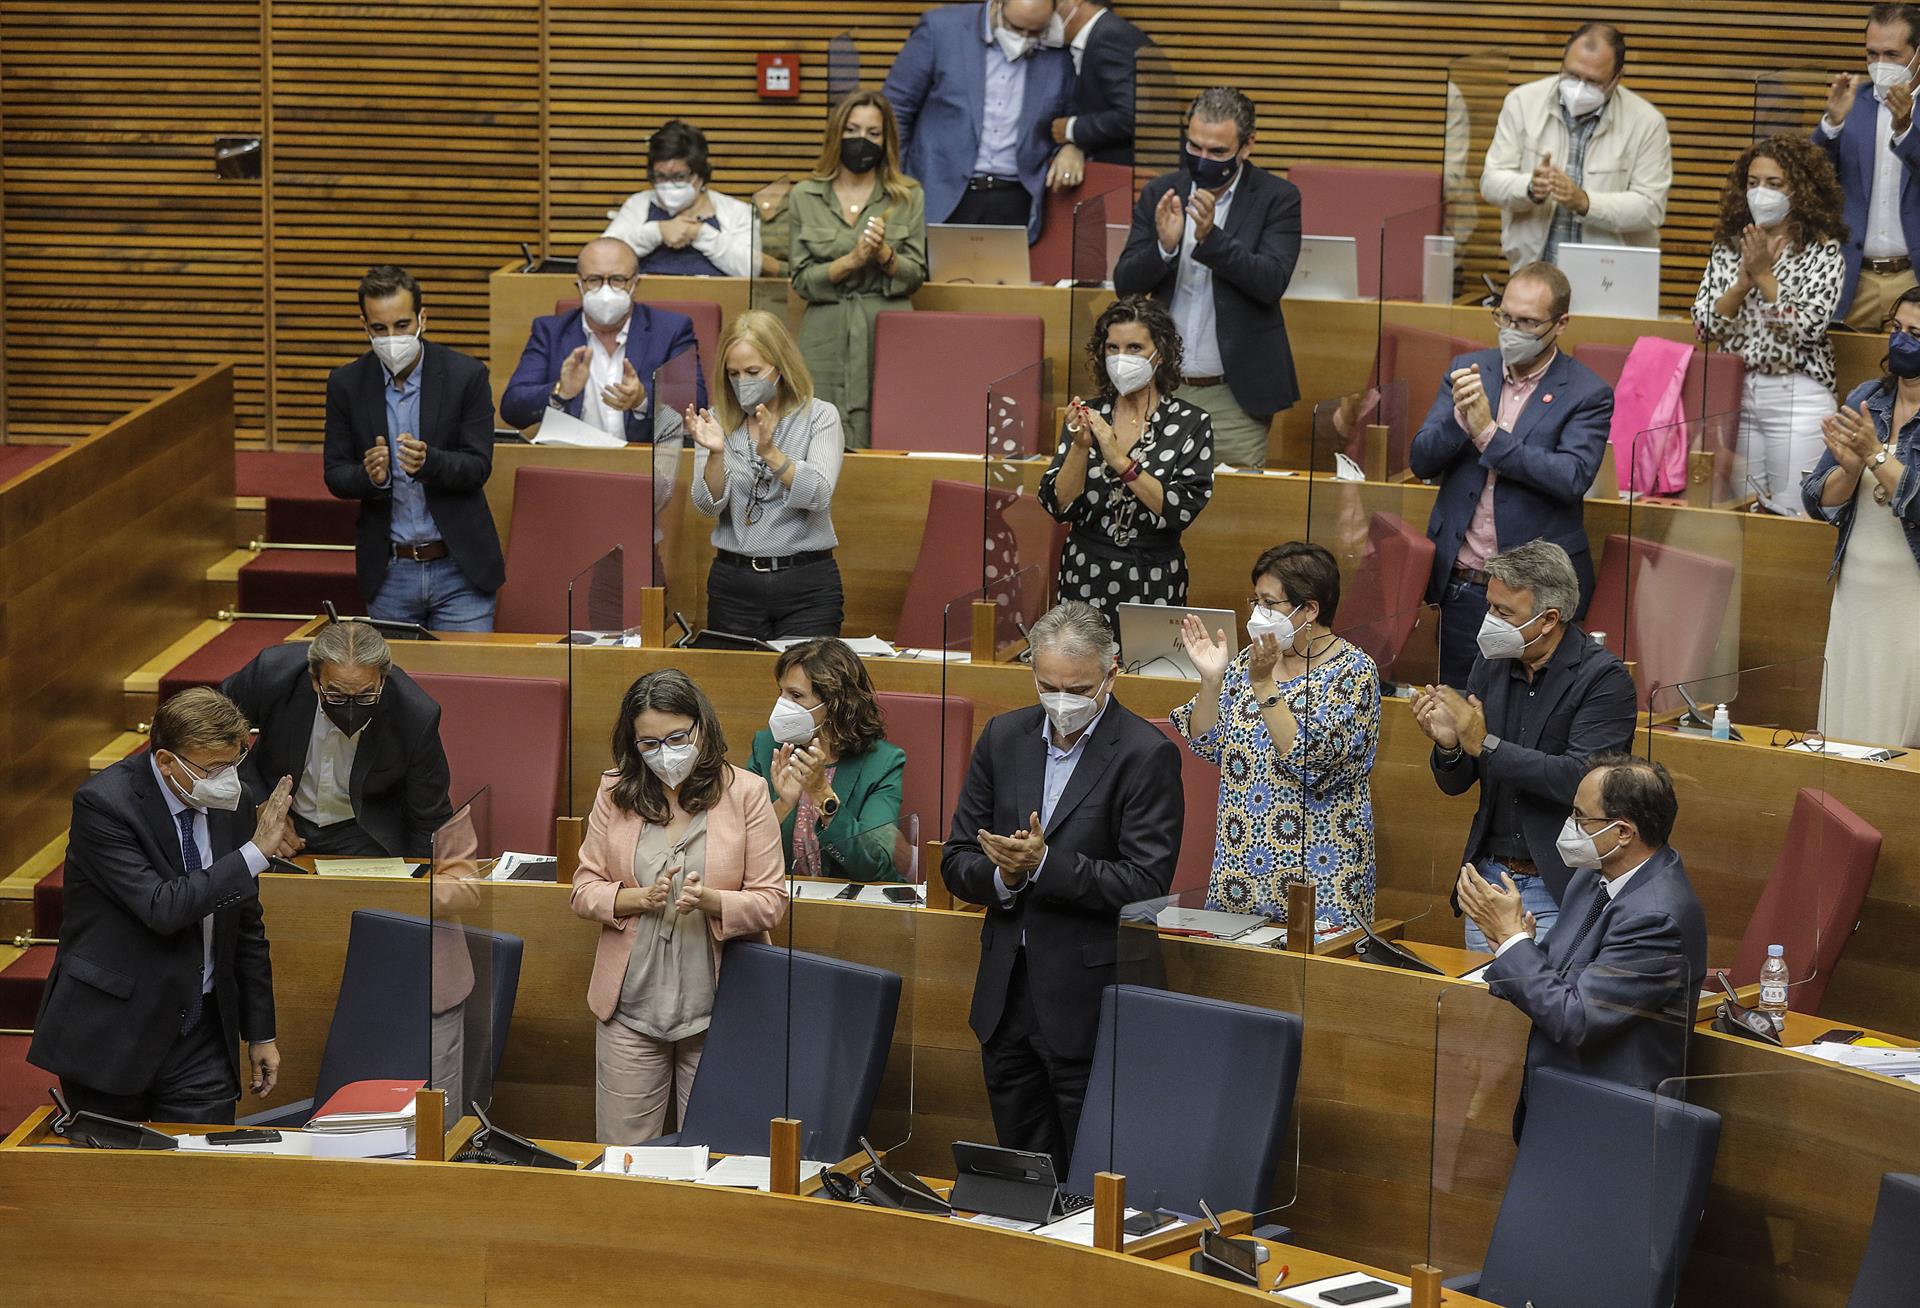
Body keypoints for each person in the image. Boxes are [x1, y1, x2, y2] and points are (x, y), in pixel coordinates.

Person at [942, 601, 1183, 1173]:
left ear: (1111, 675)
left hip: (1089, 1002)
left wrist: (1047, 864)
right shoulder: (1005, 737)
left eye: (1076, 689)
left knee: (1089, 1181)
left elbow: (1146, 881)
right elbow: (955, 859)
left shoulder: (1147, 755)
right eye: (1047, 685)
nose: (1060, 701)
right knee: (1024, 1177)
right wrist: (1003, 875)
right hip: (1006, 1000)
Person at [28, 688, 296, 1124]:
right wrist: (253, 854)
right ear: (167, 762)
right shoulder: (105, 804)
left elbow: (245, 924)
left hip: (202, 1031)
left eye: (234, 764)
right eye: (213, 768)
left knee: (201, 1177)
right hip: (114, 1029)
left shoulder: (234, 801)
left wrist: (261, 1032)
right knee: (114, 1182)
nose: (227, 779)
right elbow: (162, 907)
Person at [569, 669, 787, 1145]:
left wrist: (710, 901)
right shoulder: (614, 792)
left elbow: (772, 902)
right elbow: (583, 887)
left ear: (701, 728)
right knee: (624, 1163)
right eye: (648, 744)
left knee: (715, 1159)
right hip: (630, 1008)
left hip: (719, 1010)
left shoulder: (746, 793)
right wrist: (639, 899)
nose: (663, 753)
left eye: (675, 737)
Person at [1410, 541, 1637, 952]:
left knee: (1541, 1010)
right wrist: (1450, 747)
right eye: (1489, 607)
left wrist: (1483, 743)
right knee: (1482, 1012)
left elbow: (1580, 780)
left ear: (1549, 618)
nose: (1488, 621)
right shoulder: (1491, 663)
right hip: (1489, 881)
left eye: (1503, 613)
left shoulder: (1604, 680)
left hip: (1558, 888)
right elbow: (1459, 782)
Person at [1408, 261, 1612, 689]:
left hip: (1534, 596)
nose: (1511, 329)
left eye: (1527, 322)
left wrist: (1487, 433)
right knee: (1456, 711)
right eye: (1505, 316)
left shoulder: (1587, 392)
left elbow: (1572, 475)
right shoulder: (1469, 370)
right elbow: (1421, 460)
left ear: (1561, 324)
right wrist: (1460, 425)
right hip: (1463, 585)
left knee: (1527, 718)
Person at [1459, 755, 1706, 1105]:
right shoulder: (1592, 877)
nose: (1569, 825)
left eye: (1579, 816)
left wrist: (1514, 942)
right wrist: (1515, 942)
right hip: (1560, 1088)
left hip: (1609, 1114)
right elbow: (1561, 979)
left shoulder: (1657, 918)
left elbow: (1576, 1019)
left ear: (1622, 832)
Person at [1172, 543, 1381, 933]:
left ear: (1311, 609)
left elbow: (1310, 762)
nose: (1257, 615)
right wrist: (1212, 680)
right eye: (1256, 601)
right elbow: (1205, 742)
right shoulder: (1246, 663)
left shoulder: (1352, 672)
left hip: (1319, 882)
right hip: (1240, 879)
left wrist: (1265, 683)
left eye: (1269, 603)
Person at [1112, 86, 1300, 469]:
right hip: (1160, 385)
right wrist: (1164, 248)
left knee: (1233, 511)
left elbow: (1271, 281)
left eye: (1217, 152)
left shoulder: (1276, 198)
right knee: (1149, 497)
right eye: (1194, 147)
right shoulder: (1160, 193)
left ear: (1246, 147)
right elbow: (1125, 284)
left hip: (1233, 395)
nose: (1203, 160)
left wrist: (1210, 240)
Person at [324, 265, 505, 632]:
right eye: (379, 328)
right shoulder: (347, 384)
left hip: (459, 568)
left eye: (402, 325)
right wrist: (369, 476)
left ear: (423, 319)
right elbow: (335, 473)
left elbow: (478, 465)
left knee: (466, 683)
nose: (392, 337)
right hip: (391, 571)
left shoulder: (465, 376)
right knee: (396, 687)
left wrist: (429, 462)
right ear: (365, 326)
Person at [1692, 136, 1848, 514]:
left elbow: (1807, 329)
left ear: (1802, 190)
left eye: (1775, 184)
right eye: (1753, 182)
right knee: (1743, 512)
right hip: (1738, 392)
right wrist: (1742, 284)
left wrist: (1763, 276)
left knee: (1792, 513)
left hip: (1797, 396)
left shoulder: (1822, 251)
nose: (1761, 193)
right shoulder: (1730, 247)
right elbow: (1705, 327)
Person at [1037, 295, 1214, 621]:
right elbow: (1058, 505)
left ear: (1159, 353)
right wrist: (1079, 447)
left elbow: (1181, 509)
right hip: (1085, 572)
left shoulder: (1190, 423)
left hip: (1154, 577)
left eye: (1134, 348)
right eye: (1112, 348)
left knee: (1147, 670)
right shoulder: (1089, 414)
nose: (1121, 358)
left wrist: (1120, 461)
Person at [219, 620, 453, 858]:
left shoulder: (414, 714)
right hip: (280, 816)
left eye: (365, 696)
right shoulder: (272, 674)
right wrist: (257, 803)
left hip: (364, 832)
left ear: (383, 680)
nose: (350, 709)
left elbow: (430, 815)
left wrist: (421, 885)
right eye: (336, 695)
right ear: (314, 680)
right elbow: (212, 729)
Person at [1802, 286, 1920, 747]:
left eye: (1915, 333)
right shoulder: (1868, 397)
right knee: (1845, 722)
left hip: (1909, 594)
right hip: (1857, 588)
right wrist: (1849, 471)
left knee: (1897, 729)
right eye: (1896, 329)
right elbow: (1817, 498)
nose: (1901, 341)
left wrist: (1872, 455)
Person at [686, 310, 846, 639]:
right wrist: (716, 454)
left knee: (810, 686)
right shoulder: (716, 420)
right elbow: (707, 506)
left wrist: (771, 454)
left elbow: (817, 495)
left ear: (780, 367)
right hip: (734, 584)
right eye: (734, 373)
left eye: (753, 371)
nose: (743, 382)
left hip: (807, 584)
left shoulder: (819, 416)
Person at [789, 91, 928, 450]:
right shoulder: (805, 194)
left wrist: (883, 254)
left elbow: (915, 276)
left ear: (886, 140)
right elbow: (801, 280)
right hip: (825, 328)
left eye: (872, 133)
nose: (861, 141)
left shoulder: (907, 195)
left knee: (890, 432)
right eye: (852, 130)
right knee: (817, 436)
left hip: (886, 326)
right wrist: (851, 261)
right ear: (837, 134)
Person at [1479, 22, 1672, 270]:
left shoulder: (1647, 122)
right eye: (1572, 75)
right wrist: (1530, 188)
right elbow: (1490, 182)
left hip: (1610, 276)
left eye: (1593, 82)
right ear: (1563, 60)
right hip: (1533, 271)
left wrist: (1585, 202)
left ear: (1617, 78)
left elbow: (1651, 208)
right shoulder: (1522, 103)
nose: (1579, 88)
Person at [881, 0, 1075, 241]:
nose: (1024, 38)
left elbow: (1072, 115)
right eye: (1015, 28)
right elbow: (895, 108)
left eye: (1035, 31)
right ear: (996, 6)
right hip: (938, 191)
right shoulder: (941, 29)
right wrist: (898, 180)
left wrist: (1071, 146)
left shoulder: (1058, 45)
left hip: (1015, 199)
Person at [498, 237, 706, 443]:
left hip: (642, 464)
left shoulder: (671, 330)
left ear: (635, 283)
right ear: (579, 284)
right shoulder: (550, 332)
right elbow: (512, 409)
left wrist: (643, 399)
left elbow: (695, 400)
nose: (605, 290)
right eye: (594, 280)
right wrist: (560, 391)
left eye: (617, 280)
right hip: (572, 461)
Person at [747, 639, 909, 882]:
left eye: (796, 695)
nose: (782, 705)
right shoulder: (768, 746)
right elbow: (739, 848)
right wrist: (783, 804)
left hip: (851, 908)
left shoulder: (882, 764)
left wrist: (821, 792)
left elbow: (873, 865)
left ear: (834, 704)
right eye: (781, 693)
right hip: (780, 902)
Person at [1817, 4, 1920, 329]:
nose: (1881, 65)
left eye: (1892, 54)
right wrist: (1832, 124)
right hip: (1853, 278)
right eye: (1872, 54)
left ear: (1918, 55)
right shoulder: (1853, 102)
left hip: (1912, 280)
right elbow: (1811, 178)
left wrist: (1905, 129)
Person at [603, 119, 766, 278]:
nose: (669, 185)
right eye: (660, 176)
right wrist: (657, 232)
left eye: (679, 176)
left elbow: (751, 270)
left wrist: (698, 233)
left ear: (701, 174)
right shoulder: (638, 205)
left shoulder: (736, 212)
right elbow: (603, 259)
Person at [1045, 0, 1152, 167]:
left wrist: (1072, 129)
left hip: (1133, 173)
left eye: (1051, 6)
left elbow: (1132, 115)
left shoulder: (1109, 36)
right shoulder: (1097, 35)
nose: (1045, 17)